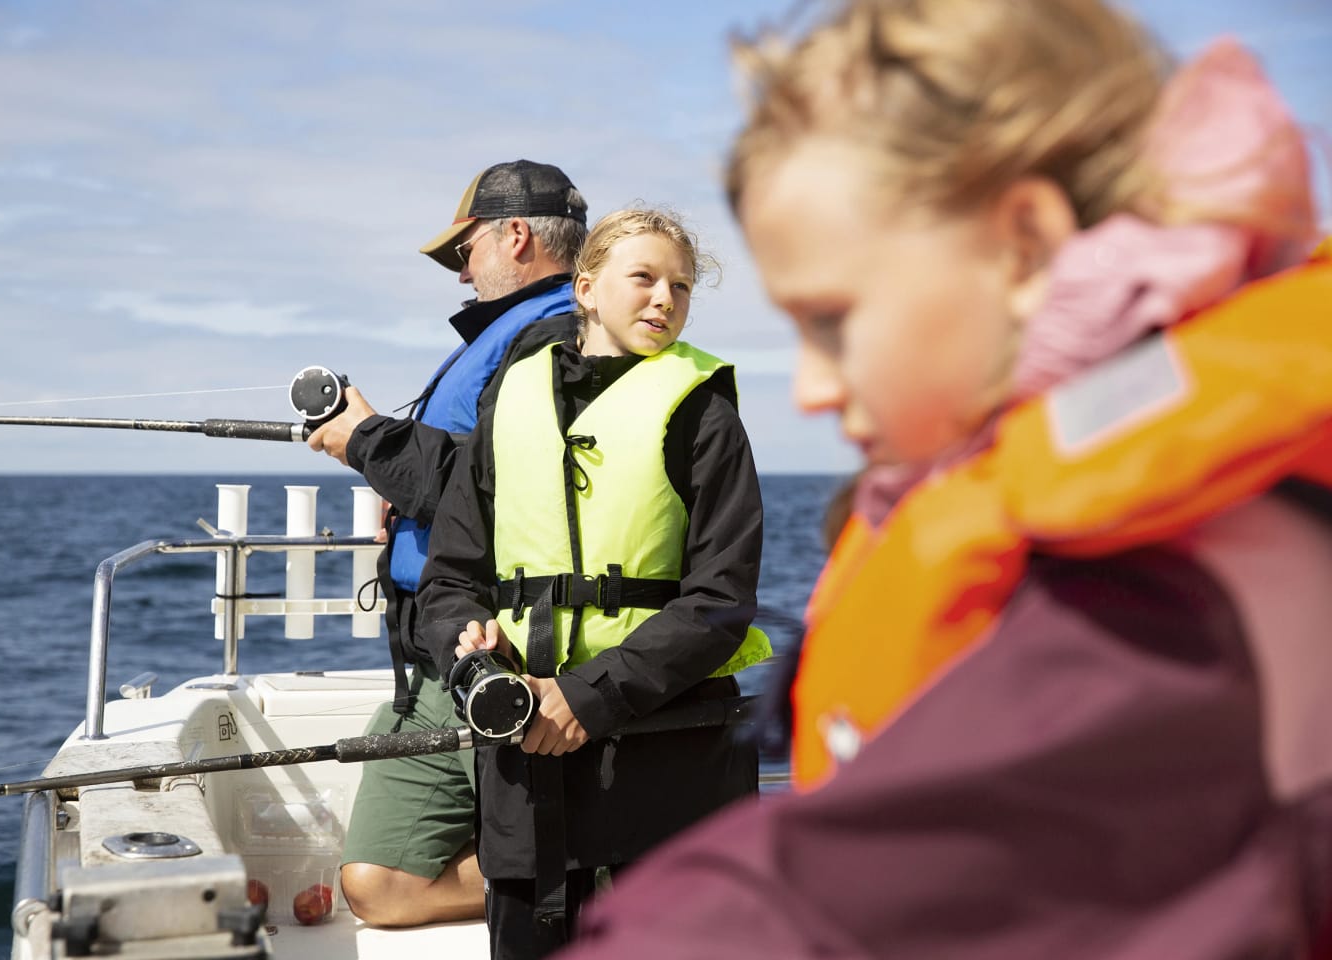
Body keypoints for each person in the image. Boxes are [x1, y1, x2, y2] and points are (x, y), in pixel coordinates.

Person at [557, 1, 1332, 958]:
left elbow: (827, 908)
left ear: (1024, 247)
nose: (809, 387)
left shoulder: (1166, 603)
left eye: (833, 321)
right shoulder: (1081, 499)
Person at [414, 207, 774, 959]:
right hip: (524, 762)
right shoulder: (510, 403)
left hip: (672, 759)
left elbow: (721, 602)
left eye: (680, 286)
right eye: (642, 278)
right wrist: (470, 652)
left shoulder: (704, 413)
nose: (663, 300)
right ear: (584, 287)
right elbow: (450, 577)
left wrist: (587, 696)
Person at [306, 159, 587, 927]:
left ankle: (596, 871)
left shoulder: (558, 340)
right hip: (437, 657)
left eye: (465, 252)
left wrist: (366, 440)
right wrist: (384, 462)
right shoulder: (514, 334)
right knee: (376, 882)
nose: (460, 274)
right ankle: (575, 865)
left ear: (517, 236)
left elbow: (487, 485)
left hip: (493, 646)